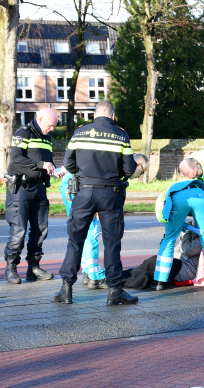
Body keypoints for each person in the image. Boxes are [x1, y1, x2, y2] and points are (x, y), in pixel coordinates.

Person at [53, 101, 145, 306]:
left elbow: (68, 165)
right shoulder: (120, 135)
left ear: (94, 115)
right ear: (113, 116)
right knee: (112, 244)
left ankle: (66, 289)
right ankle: (115, 291)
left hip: (83, 193)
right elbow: (129, 169)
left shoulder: (80, 133)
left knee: (75, 241)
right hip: (111, 195)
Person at [58, 153, 149, 290]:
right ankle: (94, 275)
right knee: (90, 230)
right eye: (142, 171)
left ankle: (88, 271)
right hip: (81, 187)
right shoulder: (119, 165)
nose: (139, 176)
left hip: (79, 185)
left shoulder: (117, 161)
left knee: (84, 230)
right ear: (137, 164)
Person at [3, 107, 59, 284]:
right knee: (18, 229)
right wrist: (42, 164)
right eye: (50, 125)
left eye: (54, 127)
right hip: (21, 187)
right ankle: (11, 268)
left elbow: (46, 161)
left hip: (39, 188)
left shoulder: (47, 137)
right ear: (40, 119)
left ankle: (33, 268)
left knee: (40, 230)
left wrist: (54, 170)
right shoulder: (23, 133)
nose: (52, 129)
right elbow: (16, 160)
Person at [152, 179, 204, 290]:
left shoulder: (161, 205)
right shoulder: (177, 187)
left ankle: (159, 283)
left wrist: (186, 227)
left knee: (168, 240)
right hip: (200, 194)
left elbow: (171, 223)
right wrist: (190, 227)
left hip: (177, 199)